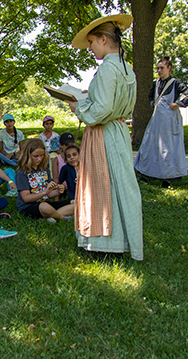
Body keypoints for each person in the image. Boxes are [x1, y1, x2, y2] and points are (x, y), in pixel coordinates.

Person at [68, 14, 143, 261]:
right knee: (119, 184)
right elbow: (111, 102)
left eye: (91, 42)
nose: (89, 48)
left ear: (103, 39)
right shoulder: (125, 67)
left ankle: (106, 243)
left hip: (103, 133)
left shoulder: (108, 68)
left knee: (102, 185)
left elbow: (100, 111)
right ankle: (119, 239)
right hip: (118, 131)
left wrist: (78, 107)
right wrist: (91, 96)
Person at [134, 56, 188, 187]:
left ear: (169, 68)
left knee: (167, 148)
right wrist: (153, 104)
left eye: (162, 68)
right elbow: (150, 96)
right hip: (156, 118)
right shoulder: (155, 83)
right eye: (157, 68)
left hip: (169, 119)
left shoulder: (175, 83)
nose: (159, 70)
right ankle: (147, 173)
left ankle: (167, 178)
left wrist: (178, 104)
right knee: (150, 145)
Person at [15, 138, 74, 222]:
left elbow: (49, 194)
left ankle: (50, 217)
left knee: (75, 203)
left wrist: (58, 191)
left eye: (42, 155)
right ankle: (62, 218)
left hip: (46, 203)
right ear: (27, 155)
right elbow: (26, 198)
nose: (39, 159)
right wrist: (44, 192)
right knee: (44, 207)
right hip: (28, 207)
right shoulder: (22, 173)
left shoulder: (45, 169)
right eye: (36, 156)